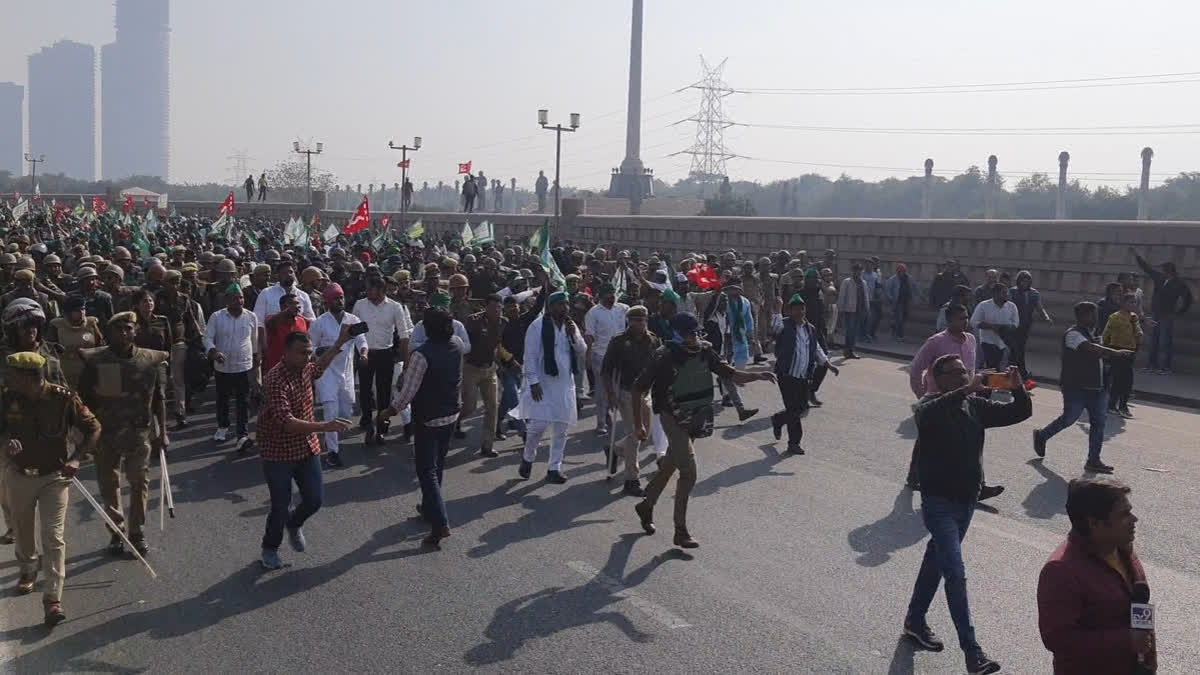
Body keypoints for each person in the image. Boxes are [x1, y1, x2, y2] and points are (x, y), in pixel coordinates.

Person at [901, 357, 1030, 675]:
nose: (963, 375)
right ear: (938, 378)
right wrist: (965, 390)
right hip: (939, 502)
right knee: (955, 573)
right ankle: (973, 653)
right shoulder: (930, 406)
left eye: (965, 371)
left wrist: (1018, 389)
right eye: (955, 373)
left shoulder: (974, 406)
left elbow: (1019, 413)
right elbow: (926, 415)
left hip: (966, 501)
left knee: (937, 559)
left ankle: (915, 620)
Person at [631, 312, 775, 548]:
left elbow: (730, 374)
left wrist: (758, 375)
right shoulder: (664, 357)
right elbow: (638, 389)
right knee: (688, 471)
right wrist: (639, 425)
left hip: (696, 415)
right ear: (676, 334)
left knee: (671, 465)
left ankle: (646, 505)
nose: (694, 338)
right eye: (689, 333)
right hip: (672, 415)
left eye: (697, 333)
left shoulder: (705, 352)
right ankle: (680, 530)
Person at [1, 351, 101, 628]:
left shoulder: (64, 398)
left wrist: (76, 458)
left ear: (29, 378)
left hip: (54, 477)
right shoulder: (8, 397)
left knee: (53, 537)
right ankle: (27, 568)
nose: (8, 378)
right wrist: (6, 444)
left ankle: (52, 600)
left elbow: (93, 428)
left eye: (13, 375)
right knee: (22, 530)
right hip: (19, 475)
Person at [256, 328, 355, 570]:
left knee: (314, 500)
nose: (307, 357)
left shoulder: (305, 369)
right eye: (302, 353)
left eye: (309, 352)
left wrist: (340, 340)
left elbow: (318, 367)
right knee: (280, 505)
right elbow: (287, 423)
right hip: (277, 451)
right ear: (286, 353)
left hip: (306, 448)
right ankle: (270, 548)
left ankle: (294, 523)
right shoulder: (274, 379)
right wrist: (326, 426)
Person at [1037, 478, 1156, 674]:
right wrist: (1127, 640)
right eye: (1124, 514)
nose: (1134, 520)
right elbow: (1058, 639)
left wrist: (1150, 664)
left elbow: (1141, 615)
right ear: (1094, 523)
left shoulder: (1123, 550)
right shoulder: (1060, 571)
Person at [77, 312, 169, 558]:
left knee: (139, 482)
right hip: (106, 436)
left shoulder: (149, 360)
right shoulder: (95, 361)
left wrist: (163, 433)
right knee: (109, 485)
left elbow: (159, 398)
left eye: (128, 328)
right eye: (118, 329)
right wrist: (84, 435)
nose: (124, 333)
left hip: (139, 435)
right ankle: (116, 533)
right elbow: (82, 400)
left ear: (135, 331)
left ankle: (136, 532)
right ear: (109, 334)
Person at [380, 307, 463, 547]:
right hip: (450, 414)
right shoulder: (457, 344)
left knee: (426, 471)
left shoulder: (421, 355)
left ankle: (440, 523)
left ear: (428, 328)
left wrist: (387, 412)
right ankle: (429, 509)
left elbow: (407, 394)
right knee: (438, 466)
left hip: (428, 418)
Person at [1033, 302, 1135, 475]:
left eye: (1095, 314)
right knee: (1069, 419)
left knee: (1099, 423)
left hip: (1098, 387)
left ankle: (1093, 460)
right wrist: (1115, 352)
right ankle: (1042, 435)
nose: (1095, 318)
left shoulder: (1093, 334)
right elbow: (1090, 349)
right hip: (1076, 387)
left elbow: (1100, 354)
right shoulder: (1073, 334)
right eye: (1092, 315)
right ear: (1082, 316)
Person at [518, 291, 587, 483]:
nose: (564, 308)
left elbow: (582, 351)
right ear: (550, 307)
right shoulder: (537, 326)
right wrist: (533, 382)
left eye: (566, 304)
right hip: (543, 383)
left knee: (561, 428)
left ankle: (554, 468)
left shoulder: (570, 326)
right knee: (537, 427)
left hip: (565, 384)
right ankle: (528, 457)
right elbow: (529, 356)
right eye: (560, 304)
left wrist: (574, 336)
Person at [601, 305, 661, 496]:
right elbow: (606, 371)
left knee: (646, 434)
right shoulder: (619, 341)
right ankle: (631, 479)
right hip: (627, 392)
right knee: (635, 434)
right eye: (636, 320)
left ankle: (616, 449)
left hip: (647, 392)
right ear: (629, 321)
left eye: (643, 319)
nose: (640, 323)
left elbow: (660, 364)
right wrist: (610, 394)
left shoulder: (652, 339)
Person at [769, 295, 838, 455]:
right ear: (790, 311)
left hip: (803, 376)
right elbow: (774, 329)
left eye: (802, 308)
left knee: (800, 407)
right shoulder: (784, 324)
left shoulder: (810, 329)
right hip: (786, 375)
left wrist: (828, 364)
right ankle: (794, 443)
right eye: (796, 309)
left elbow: (816, 349)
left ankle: (778, 419)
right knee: (793, 410)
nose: (800, 312)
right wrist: (777, 310)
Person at [310, 284, 365, 468]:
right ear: (327, 301)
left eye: (341, 297)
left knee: (345, 412)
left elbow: (361, 341)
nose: (339, 301)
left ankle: (330, 435)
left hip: (346, 372)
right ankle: (333, 451)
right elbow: (311, 348)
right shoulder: (319, 323)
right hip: (326, 373)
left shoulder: (352, 319)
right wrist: (324, 350)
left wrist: (364, 354)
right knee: (331, 411)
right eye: (335, 298)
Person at [351, 275, 412, 444]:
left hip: (386, 354)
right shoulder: (360, 305)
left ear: (382, 291)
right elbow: (353, 330)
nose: (367, 291)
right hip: (365, 353)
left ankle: (381, 428)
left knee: (384, 393)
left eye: (371, 288)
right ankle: (368, 425)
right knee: (365, 391)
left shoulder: (395, 307)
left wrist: (406, 363)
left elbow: (404, 336)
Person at [204, 283, 260, 453]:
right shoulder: (217, 317)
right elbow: (207, 338)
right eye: (235, 298)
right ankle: (222, 426)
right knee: (223, 399)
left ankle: (242, 434)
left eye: (241, 297)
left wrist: (256, 359)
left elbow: (254, 340)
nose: (239, 301)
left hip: (243, 365)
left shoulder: (251, 317)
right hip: (223, 367)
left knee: (243, 401)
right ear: (227, 300)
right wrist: (214, 352)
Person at [1131, 248, 1193, 374]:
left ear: (1168, 270)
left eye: (1163, 269)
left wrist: (1180, 312)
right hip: (1156, 313)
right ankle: (1152, 365)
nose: (1160, 271)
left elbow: (1188, 298)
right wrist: (1137, 256)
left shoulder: (1179, 283)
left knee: (1165, 341)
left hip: (1167, 314)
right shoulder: (1159, 278)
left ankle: (1165, 367)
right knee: (1154, 340)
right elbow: (1147, 268)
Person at [461, 294, 507, 458]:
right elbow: (463, 341)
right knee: (469, 407)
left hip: (489, 369)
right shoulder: (473, 321)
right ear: (486, 307)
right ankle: (454, 421)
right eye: (493, 307)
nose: (497, 310)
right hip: (471, 368)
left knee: (492, 407)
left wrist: (506, 362)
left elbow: (500, 345)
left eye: (499, 307)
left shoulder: (504, 323)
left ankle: (487, 446)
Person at [583, 282, 629, 435]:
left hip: (621, 356)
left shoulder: (623, 309)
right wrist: (588, 355)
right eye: (608, 294)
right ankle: (601, 422)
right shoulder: (593, 313)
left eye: (613, 294)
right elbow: (589, 335)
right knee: (602, 391)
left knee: (620, 388)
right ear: (601, 296)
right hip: (601, 355)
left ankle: (621, 418)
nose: (612, 297)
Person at [1102, 293, 1142, 418]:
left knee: (1128, 380)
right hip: (1117, 349)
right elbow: (1106, 333)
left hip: (1130, 350)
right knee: (1118, 379)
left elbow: (1138, 331)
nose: (1133, 305)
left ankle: (1123, 405)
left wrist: (1139, 333)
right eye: (1130, 302)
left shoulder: (1134, 317)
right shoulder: (1114, 317)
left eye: (1134, 302)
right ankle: (1113, 405)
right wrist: (1105, 349)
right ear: (1123, 303)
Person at [1008, 270, 1051, 380]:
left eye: (1027, 281)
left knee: (1020, 349)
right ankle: (1017, 372)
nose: (1025, 283)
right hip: (1013, 325)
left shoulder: (1034, 293)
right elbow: (1007, 307)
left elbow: (1039, 307)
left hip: (1025, 325)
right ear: (1019, 281)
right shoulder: (1012, 292)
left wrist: (1046, 317)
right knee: (1014, 349)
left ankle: (1020, 372)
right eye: (1023, 281)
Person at [969, 283, 1018, 371]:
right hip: (988, 342)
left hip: (1006, 342)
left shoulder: (1012, 306)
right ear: (995, 294)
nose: (1006, 295)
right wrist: (991, 326)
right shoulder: (983, 305)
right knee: (991, 369)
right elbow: (973, 322)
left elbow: (1015, 324)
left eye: (1007, 293)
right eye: (1003, 293)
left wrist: (1003, 328)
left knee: (1004, 369)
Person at [263, 294, 310, 375]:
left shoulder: (301, 321)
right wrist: (287, 311)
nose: (296, 306)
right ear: (282, 306)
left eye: (297, 303)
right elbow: (269, 323)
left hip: (297, 370)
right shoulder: (273, 320)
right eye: (292, 303)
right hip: (277, 369)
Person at [836, 261, 869, 359]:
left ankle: (851, 350)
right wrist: (840, 309)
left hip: (859, 309)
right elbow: (842, 296)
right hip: (849, 310)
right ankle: (848, 350)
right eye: (856, 270)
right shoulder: (847, 281)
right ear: (852, 271)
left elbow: (866, 296)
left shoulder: (863, 282)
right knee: (850, 331)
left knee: (855, 331)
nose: (857, 272)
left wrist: (867, 308)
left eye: (859, 271)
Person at [885, 263, 913, 341]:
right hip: (898, 302)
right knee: (899, 319)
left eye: (902, 271)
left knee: (904, 318)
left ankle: (894, 328)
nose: (901, 273)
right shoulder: (893, 279)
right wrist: (891, 298)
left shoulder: (909, 278)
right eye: (899, 271)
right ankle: (900, 335)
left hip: (906, 301)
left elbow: (914, 287)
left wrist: (919, 296)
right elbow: (887, 290)